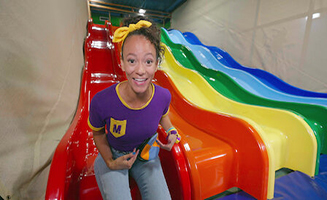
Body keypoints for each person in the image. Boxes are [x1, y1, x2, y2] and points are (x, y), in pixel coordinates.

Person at [88, 16, 181, 200]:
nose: (140, 70)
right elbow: (98, 134)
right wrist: (110, 162)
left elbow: (163, 116)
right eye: (132, 61)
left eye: (148, 61)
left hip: (147, 153)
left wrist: (171, 130)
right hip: (115, 154)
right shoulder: (102, 101)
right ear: (121, 62)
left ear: (156, 64)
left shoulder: (163, 96)